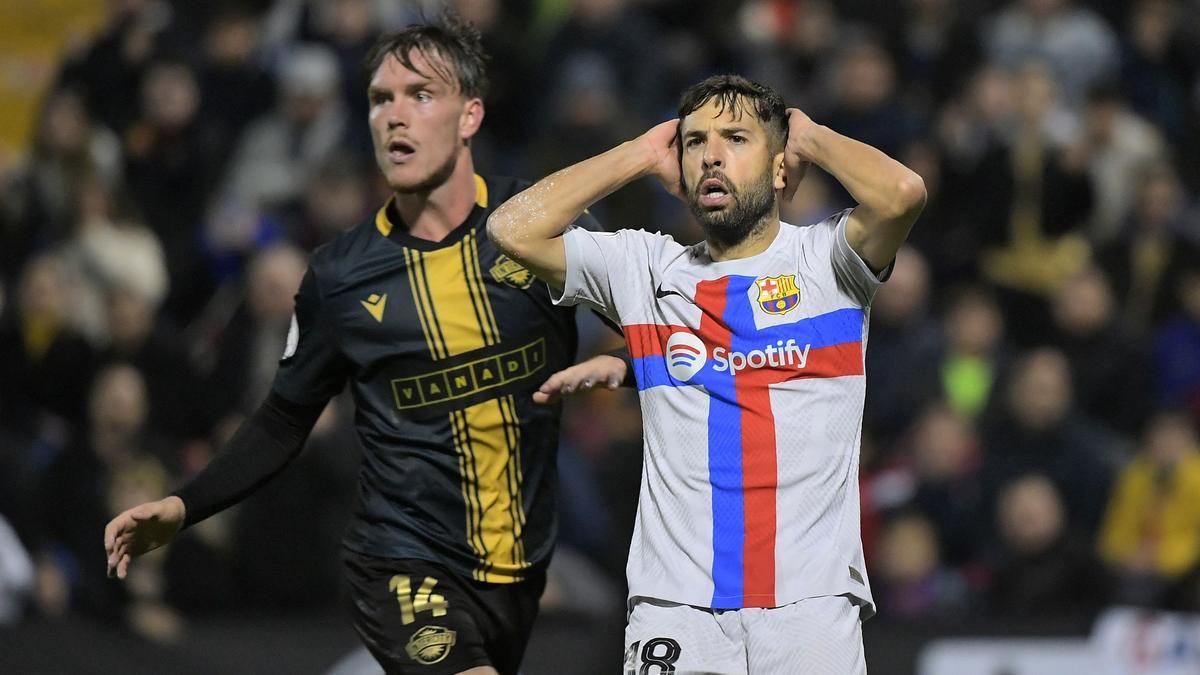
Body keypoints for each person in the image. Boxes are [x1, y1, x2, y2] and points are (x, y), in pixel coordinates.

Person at [104, 14, 630, 675]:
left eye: (420, 95)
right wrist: (184, 503)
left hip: (515, 567)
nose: (394, 116)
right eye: (382, 98)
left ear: (470, 116)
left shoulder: (540, 230)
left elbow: (672, 334)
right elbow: (282, 416)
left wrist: (622, 365)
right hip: (402, 561)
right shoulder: (340, 275)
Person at [488, 74, 925, 673]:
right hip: (676, 605)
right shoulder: (644, 269)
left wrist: (808, 134)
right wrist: (640, 153)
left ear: (779, 168)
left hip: (810, 603)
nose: (711, 154)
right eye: (694, 142)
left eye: (736, 138)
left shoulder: (828, 263)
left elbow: (902, 193)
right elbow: (511, 228)